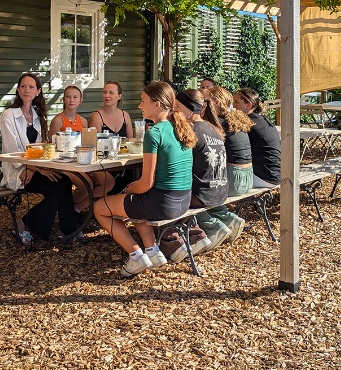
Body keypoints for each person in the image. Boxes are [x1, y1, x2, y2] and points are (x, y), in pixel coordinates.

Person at [93, 81, 196, 278]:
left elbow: (146, 183)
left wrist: (130, 190)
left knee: (100, 207)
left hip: (164, 203)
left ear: (157, 104)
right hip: (183, 200)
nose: (140, 106)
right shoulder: (181, 128)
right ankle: (153, 251)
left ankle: (136, 256)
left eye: (143, 101)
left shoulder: (154, 133)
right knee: (134, 203)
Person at [0, 73, 80, 246]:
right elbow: (12, 150)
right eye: (23, 86)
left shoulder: (37, 116)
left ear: (38, 91)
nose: (26, 90)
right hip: (18, 170)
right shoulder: (8, 115)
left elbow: (42, 148)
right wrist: (33, 168)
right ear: (18, 90)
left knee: (63, 182)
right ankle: (24, 224)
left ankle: (69, 229)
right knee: (57, 187)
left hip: (34, 168)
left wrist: (41, 167)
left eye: (31, 87)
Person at [171, 89, 230, 256]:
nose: (174, 110)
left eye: (177, 106)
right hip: (221, 190)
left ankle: (206, 229)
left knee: (170, 198)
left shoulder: (191, 131)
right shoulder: (212, 127)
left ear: (189, 108)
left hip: (204, 195)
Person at [49, 84, 111, 211]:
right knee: (86, 184)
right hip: (64, 164)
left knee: (108, 182)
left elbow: (87, 145)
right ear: (63, 100)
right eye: (68, 97)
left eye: (75, 97)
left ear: (80, 100)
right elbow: (52, 147)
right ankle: (66, 210)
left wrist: (90, 164)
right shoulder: (57, 120)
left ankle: (75, 208)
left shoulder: (83, 121)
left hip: (82, 161)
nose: (71, 100)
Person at [203, 85, 253, 241]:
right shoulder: (235, 118)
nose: (201, 104)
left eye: (204, 100)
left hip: (233, 179)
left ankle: (222, 222)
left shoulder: (217, 123)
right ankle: (228, 219)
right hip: (248, 177)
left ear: (215, 102)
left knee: (199, 189)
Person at [232, 88, 281, 188]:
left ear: (248, 105)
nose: (233, 106)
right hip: (274, 174)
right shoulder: (261, 119)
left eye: (236, 102)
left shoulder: (249, 123)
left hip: (263, 178)